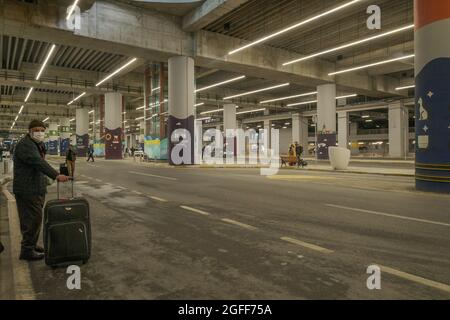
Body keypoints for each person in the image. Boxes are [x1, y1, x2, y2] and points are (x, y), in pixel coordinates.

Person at [13, 120, 70, 261]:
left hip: (36, 188)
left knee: (35, 219)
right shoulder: (25, 145)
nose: (40, 132)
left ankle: (31, 245)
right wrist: (56, 175)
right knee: (32, 219)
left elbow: (40, 163)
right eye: (36, 130)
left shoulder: (37, 144)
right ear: (30, 131)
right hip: (27, 189)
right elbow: (38, 162)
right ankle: (26, 250)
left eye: (42, 130)